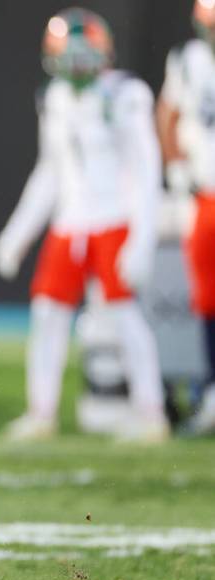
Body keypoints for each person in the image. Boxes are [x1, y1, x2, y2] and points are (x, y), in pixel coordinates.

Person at [0, 8, 168, 442]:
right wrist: (18, 232)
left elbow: (146, 168)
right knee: (48, 313)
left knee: (125, 316)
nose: (76, 62)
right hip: (71, 222)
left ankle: (151, 412)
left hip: (113, 219)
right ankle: (42, 412)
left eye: (84, 52)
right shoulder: (54, 97)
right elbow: (51, 171)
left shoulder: (125, 94)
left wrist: (142, 238)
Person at [157, 0, 215, 434]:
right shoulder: (187, 60)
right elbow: (168, 116)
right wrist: (178, 169)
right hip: (206, 196)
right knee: (208, 299)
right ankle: (209, 391)